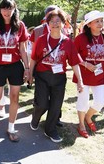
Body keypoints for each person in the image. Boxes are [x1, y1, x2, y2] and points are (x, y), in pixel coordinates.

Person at [28, 9, 84, 143]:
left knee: (55, 105)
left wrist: (80, 81)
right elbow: (34, 58)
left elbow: (75, 63)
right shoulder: (41, 40)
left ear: (63, 24)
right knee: (42, 104)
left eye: (58, 21)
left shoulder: (68, 42)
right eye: (52, 21)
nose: (55, 24)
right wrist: (29, 73)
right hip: (42, 76)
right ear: (48, 24)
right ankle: (36, 117)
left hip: (59, 78)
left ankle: (50, 129)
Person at [0, 0, 30, 142]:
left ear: (14, 9)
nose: (6, 11)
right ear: (0, 9)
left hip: (15, 65)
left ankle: (11, 127)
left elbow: (22, 49)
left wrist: (27, 68)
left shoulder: (20, 25)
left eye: (9, 8)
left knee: (14, 96)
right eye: (4, 8)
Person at [29, 5, 64, 127]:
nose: (54, 23)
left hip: (57, 70)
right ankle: (37, 113)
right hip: (41, 67)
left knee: (56, 98)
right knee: (41, 97)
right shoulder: (38, 30)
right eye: (50, 18)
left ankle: (56, 118)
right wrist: (31, 70)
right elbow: (32, 51)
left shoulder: (62, 30)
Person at [73, 10, 104, 138]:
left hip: (100, 76)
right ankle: (81, 124)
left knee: (100, 101)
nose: (100, 23)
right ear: (89, 24)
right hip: (83, 76)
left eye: (101, 20)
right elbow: (73, 55)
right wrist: (86, 64)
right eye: (96, 21)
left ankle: (88, 117)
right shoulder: (80, 38)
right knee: (83, 101)